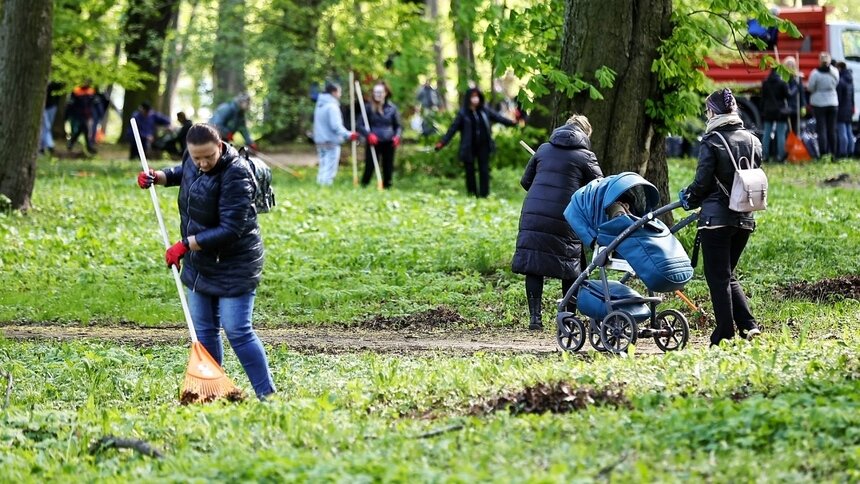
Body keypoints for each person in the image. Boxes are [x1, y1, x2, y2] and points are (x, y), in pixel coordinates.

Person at [135, 123, 276, 400]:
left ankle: (267, 396)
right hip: (202, 262)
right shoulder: (193, 159)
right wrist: (159, 176)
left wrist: (185, 245)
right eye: (196, 157)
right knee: (204, 331)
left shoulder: (237, 174)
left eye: (208, 157)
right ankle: (214, 391)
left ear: (220, 147)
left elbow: (230, 229)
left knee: (238, 330)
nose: (202, 163)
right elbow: (183, 173)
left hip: (236, 262)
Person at [678, 88, 762, 346]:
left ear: (713, 111)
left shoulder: (712, 141)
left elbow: (702, 183)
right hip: (745, 217)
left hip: (716, 220)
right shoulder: (753, 140)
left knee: (717, 277)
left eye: (707, 110)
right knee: (728, 273)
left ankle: (724, 334)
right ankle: (748, 326)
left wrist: (688, 198)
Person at [511, 115, 603, 330]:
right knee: (571, 264)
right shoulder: (585, 156)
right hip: (565, 215)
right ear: (585, 134)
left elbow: (526, 182)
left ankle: (535, 319)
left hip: (534, 213)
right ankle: (568, 319)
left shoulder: (543, 149)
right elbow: (598, 188)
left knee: (534, 264)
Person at [435, 87, 519, 198]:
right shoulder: (463, 114)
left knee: (484, 170)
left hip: (483, 145)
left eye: (477, 96)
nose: (475, 99)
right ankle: (472, 193)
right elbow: (452, 129)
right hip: (468, 146)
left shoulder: (484, 111)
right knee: (469, 171)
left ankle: (484, 194)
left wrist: (513, 123)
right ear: (468, 98)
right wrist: (442, 143)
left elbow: (498, 118)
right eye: (473, 96)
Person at [312, 82, 359, 186]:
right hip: (331, 140)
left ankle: (320, 184)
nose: (340, 95)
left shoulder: (319, 104)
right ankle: (326, 186)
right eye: (339, 92)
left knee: (323, 164)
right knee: (330, 167)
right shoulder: (332, 106)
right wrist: (349, 134)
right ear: (334, 92)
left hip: (320, 140)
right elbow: (336, 126)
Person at [357, 81, 402, 189]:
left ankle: (388, 186)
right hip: (374, 142)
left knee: (388, 165)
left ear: (386, 93)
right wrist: (368, 135)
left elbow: (398, 126)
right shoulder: (368, 108)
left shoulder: (392, 108)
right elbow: (359, 125)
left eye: (381, 92)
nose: (378, 94)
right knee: (370, 165)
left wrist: (397, 136)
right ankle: (364, 185)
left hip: (389, 142)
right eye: (376, 92)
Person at [808, 52, 840, 157]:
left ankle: (823, 154)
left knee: (822, 129)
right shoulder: (835, 72)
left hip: (819, 103)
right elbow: (837, 83)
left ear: (819, 61)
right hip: (833, 103)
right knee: (832, 129)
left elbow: (811, 87)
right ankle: (834, 153)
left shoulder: (815, 73)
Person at [760, 68, 790, 162]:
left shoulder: (765, 82)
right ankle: (781, 156)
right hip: (780, 111)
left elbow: (763, 96)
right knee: (780, 134)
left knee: (767, 133)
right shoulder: (782, 83)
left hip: (768, 110)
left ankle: (765, 155)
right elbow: (787, 95)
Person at [66, 80, 97, 154]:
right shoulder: (76, 91)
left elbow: (93, 104)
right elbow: (72, 104)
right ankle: (89, 146)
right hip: (78, 114)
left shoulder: (91, 91)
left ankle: (71, 143)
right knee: (84, 128)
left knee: (82, 129)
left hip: (88, 114)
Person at [835, 62, 855, 158]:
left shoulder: (841, 81)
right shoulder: (850, 80)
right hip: (849, 109)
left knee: (842, 134)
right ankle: (851, 151)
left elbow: (838, 98)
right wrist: (852, 108)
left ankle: (843, 153)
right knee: (849, 132)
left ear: (839, 68)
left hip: (841, 110)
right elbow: (852, 97)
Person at [39, 81, 63, 155]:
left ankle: (43, 147)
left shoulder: (55, 83)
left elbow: (59, 92)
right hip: (43, 107)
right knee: (46, 126)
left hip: (51, 106)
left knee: (47, 127)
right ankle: (49, 145)